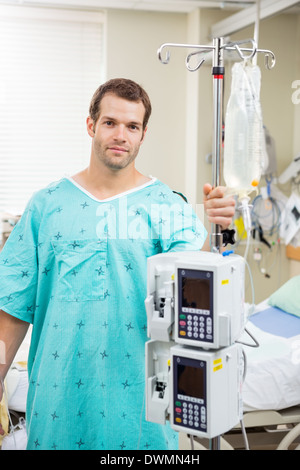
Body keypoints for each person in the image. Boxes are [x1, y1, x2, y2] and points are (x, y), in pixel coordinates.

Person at [0, 78, 235, 450]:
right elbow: (12, 306)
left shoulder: (166, 205)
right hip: (58, 403)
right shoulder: (45, 205)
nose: (121, 135)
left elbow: (197, 281)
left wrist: (221, 225)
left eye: (132, 126)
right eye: (110, 122)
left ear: (143, 135)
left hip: (141, 409)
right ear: (91, 125)